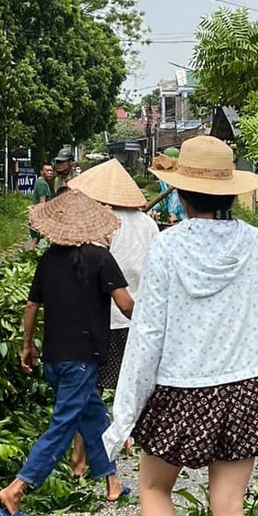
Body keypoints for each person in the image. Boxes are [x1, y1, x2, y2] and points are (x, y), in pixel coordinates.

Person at [105, 135, 258, 516]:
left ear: (181, 195)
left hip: (182, 391)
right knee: (229, 508)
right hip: (247, 387)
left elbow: (148, 337)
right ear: (229, 193)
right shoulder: (254, 244)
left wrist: (122, 419)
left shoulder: (169, 246)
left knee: (154, 489)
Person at [0, 188, 133, 516]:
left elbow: (31, 307)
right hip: (83, 359)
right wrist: (155, 326)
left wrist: (27, 346)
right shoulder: (101, 258)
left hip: (55, 358)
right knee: (62, 426)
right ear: (91, 225)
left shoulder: (48, 259)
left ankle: (112, 482)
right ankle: (15, 490)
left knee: (93, 415)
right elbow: (125, 304)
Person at [67, 154, 158, 412]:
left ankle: (87, 443)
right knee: (132, 382)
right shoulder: (149, 224)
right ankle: (127, 431)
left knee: (94, 383)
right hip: (137, 313)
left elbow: (89, 270)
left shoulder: (102, 224)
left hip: (104, 316)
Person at [153, 148, 183, 226]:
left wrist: (174, 214)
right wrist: (154, 209)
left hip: (182, 219)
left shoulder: (182, 182)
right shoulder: (164, 181)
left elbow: (176, 199)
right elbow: (162, 197)